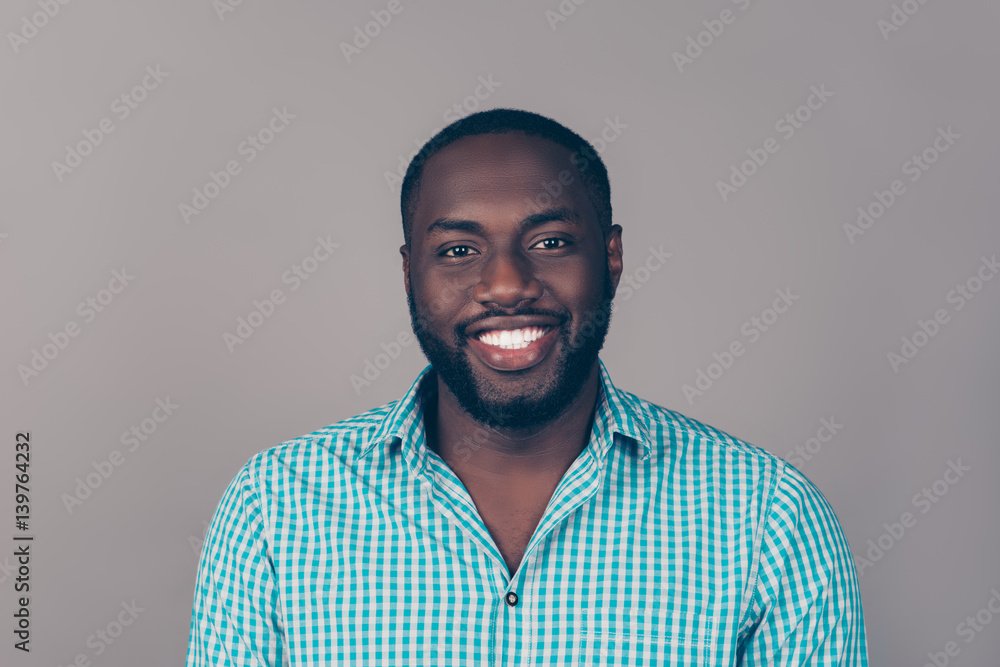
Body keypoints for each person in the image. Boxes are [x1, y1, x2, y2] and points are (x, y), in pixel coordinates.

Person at [186, 108, 869, 665]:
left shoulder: (767, 520)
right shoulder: (274, 509)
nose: (507, 284)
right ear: (408, 272)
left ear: (611, 256)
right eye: (459, 250)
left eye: (550, 242)